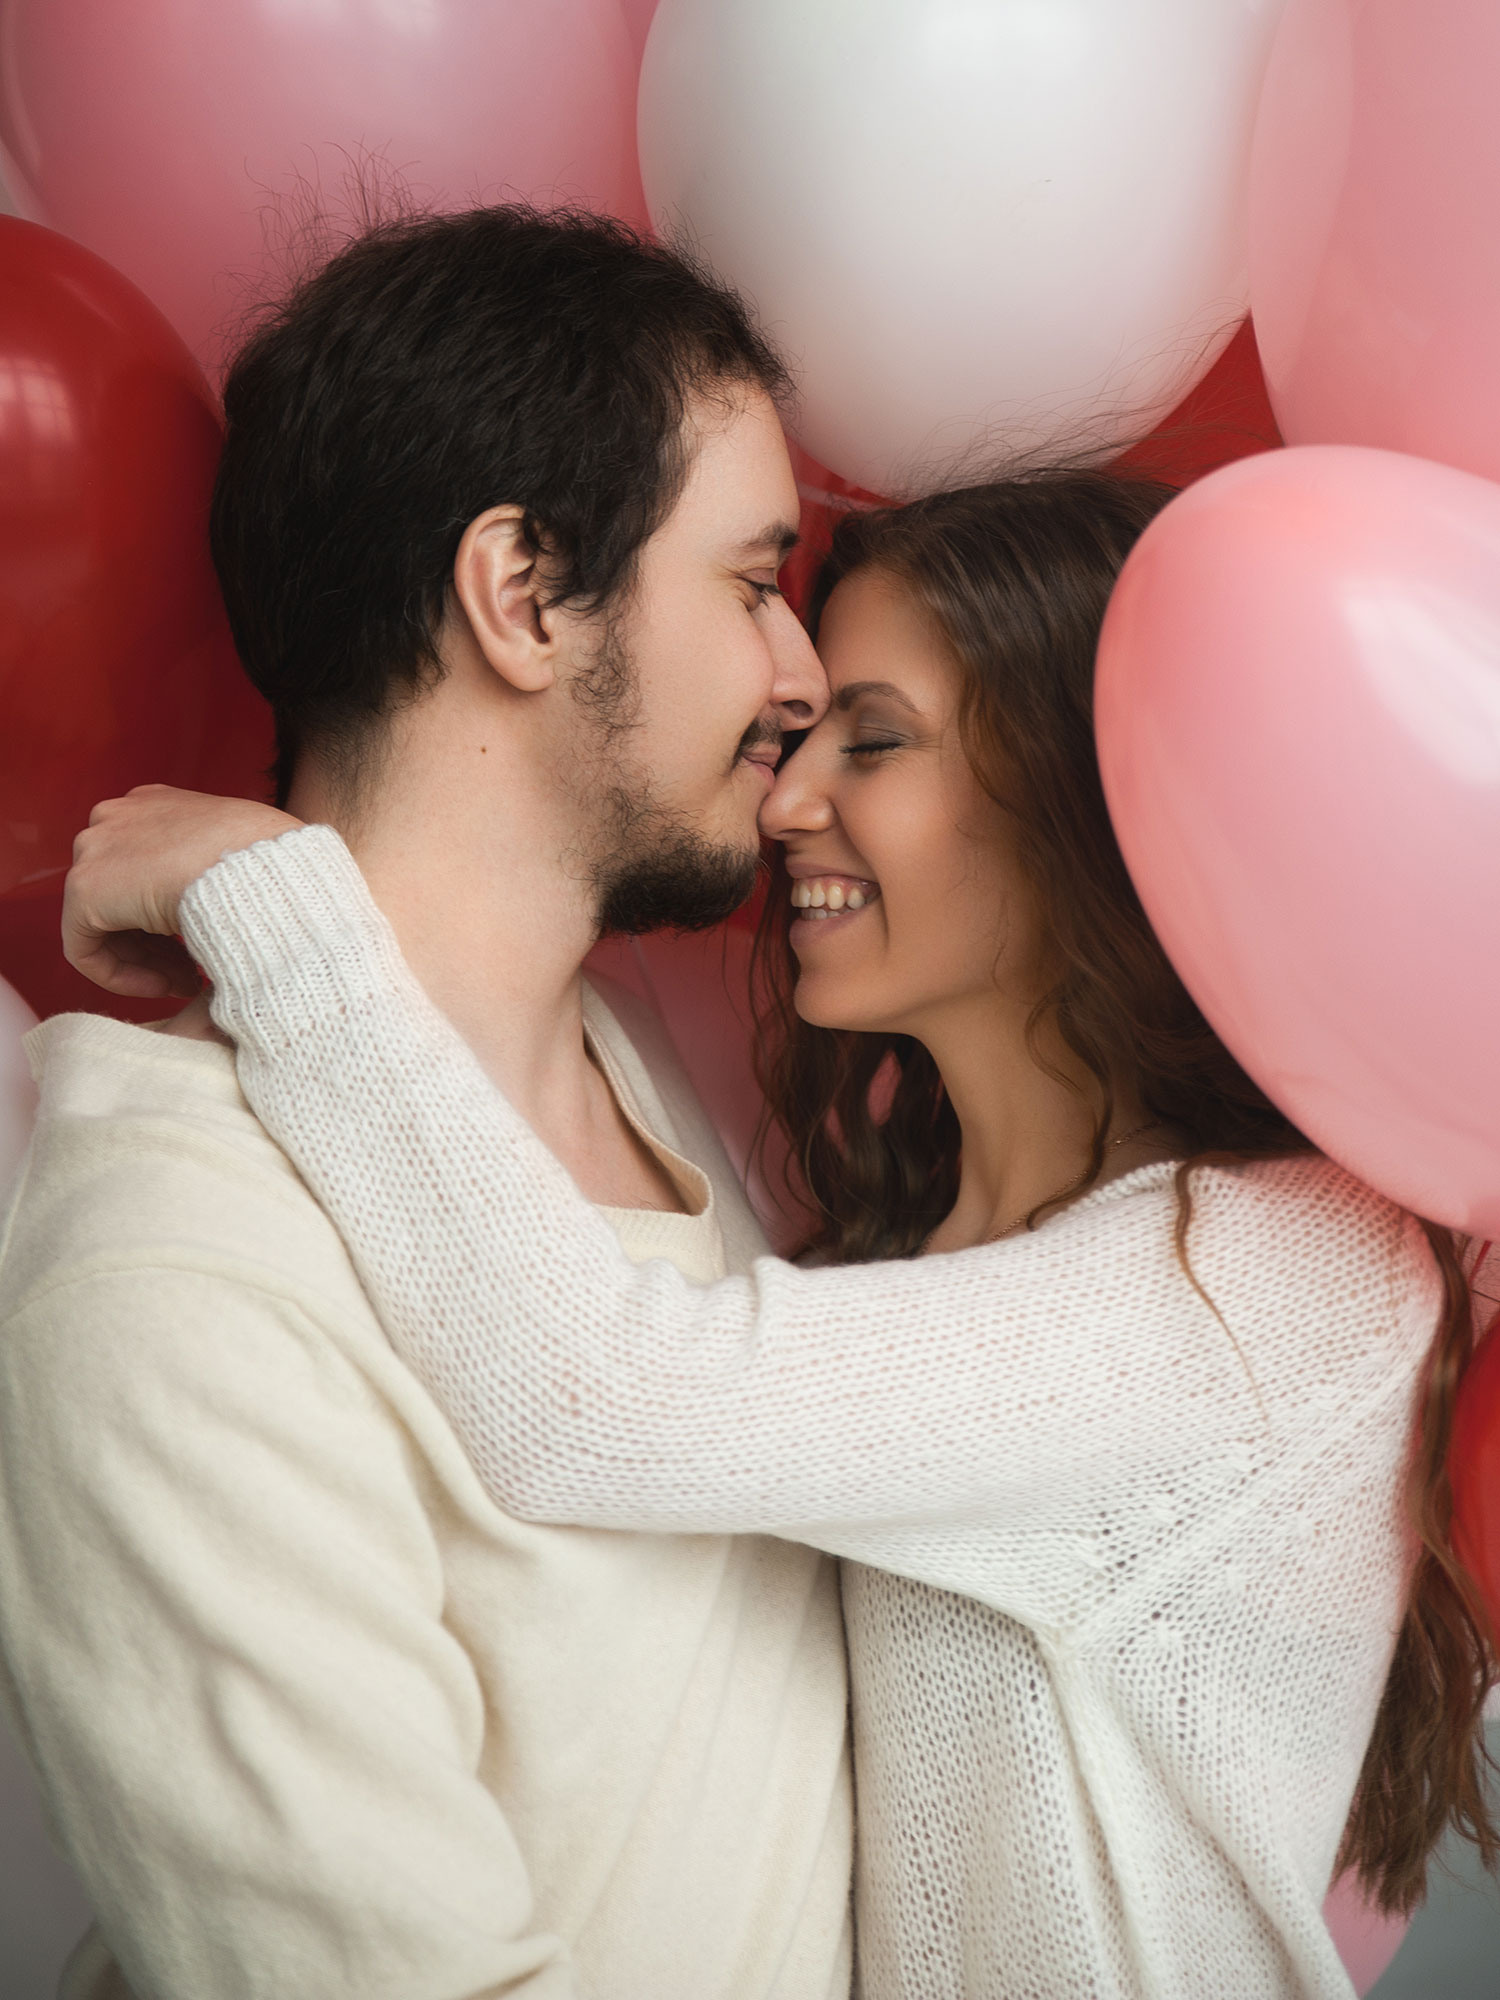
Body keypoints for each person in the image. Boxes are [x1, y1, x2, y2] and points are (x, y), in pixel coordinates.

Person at [64, 474, 1499, 2000]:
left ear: (1088, 786)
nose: (789, 794)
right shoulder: (934, 1233)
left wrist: (282, 909)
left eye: (873, 741)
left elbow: (593, 1397)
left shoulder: (1276, 1280)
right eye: (803, 735)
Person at [0, 205, 856, 2000]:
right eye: (752, 580)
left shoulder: (653, 1058)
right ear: (523, 593)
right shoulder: (176, 1273)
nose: (800, 672)